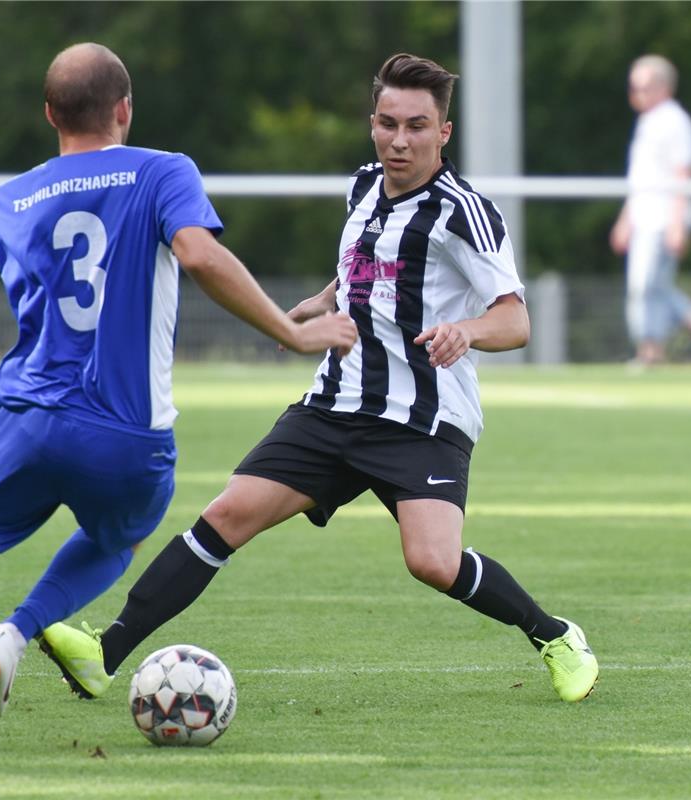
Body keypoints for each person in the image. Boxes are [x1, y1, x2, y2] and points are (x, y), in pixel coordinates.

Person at [0, 42, 357, 756]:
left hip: (24, 424)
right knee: (122, 535)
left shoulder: (6, 200)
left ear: (49, 114)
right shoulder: (162, 171)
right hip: (125, 435)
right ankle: (18, 629)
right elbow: (201, 256)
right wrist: (293, 334)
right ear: (125, 109)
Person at [38, 53, 600, 709]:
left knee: (432, 563)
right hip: (333, 405)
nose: (399, 139)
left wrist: (466, 331)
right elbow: (364, 268)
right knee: (224, 517)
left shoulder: (462, 212)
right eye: (387, 123)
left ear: (442, 133)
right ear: (371, 124)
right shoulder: (363, 186)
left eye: (416, 126)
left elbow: (515, 319)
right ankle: (103, 654)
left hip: (419, 418)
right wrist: (319, 301)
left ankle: (555, 635)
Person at [610, 54, 691, 366]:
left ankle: (650, 351)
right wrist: (626, 221)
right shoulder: (648, 123)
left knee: (646, 287)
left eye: (644, 86)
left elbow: (682, 176)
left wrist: (676, 225)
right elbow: (641, 182)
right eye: (634, 87)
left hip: (663, 220)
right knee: (656, 288)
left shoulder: (674, 122)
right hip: (646, 218)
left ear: (663, 87)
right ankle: (653, 348)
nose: (637, 93)